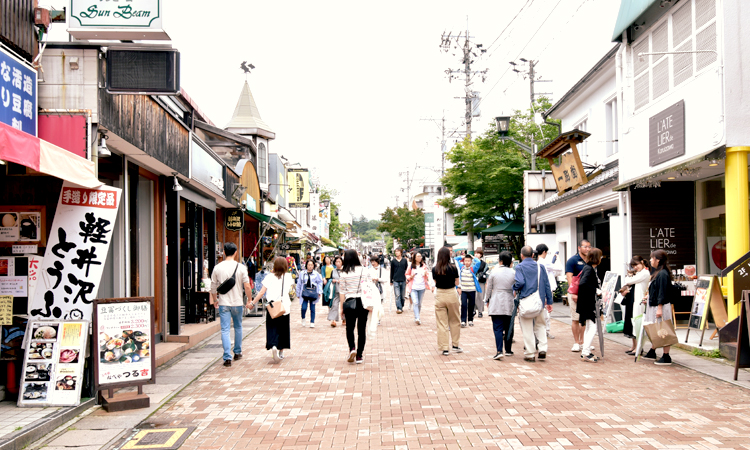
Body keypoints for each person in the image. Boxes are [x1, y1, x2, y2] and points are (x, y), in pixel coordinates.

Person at [209, 242, 252, 367]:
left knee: (225, 329)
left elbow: (213, 286)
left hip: (223, 303)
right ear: (235, 252)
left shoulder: (217, 267)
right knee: (238, 327)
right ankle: (237, 352)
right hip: (237, 303)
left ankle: (227, 357)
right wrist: (249, 300)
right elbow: (247, 286)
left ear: (223, 252)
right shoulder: (241, 267)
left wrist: (215, 299)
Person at [513, 246, 553, 362]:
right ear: (532, 255)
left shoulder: (520, 267)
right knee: (540, 325)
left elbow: (519, 282)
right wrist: (549, 301)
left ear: (521, 255)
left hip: (526, 302)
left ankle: (530, 353)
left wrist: (514, 288)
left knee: (527, 328)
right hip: (539, 302)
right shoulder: (540, 267)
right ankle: (542, 349)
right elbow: (546, 285)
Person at [250, 257, 293, 362]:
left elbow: (261, 292)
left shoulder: (269, 277)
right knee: (283, 329)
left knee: (272, 327)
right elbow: (291, 289)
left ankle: (273, 345)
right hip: (284, 307)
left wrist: (252, 303)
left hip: (272, 307)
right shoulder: (288, 277)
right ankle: (281, 351)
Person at [338, 249, 370, 364]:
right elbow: (368, 286)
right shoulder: (364, 270)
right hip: (363, 302)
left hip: (349, 302)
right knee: (361, 329)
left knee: (349, 328)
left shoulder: (343, 273)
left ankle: (352, 348)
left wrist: (341, 308)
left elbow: (342, 292)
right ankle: (359, 355)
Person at [643, 250, 675, 365]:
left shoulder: (662, 274)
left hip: (660, 306)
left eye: (652, 258)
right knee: (656, 328)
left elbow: (662, 292)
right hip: (655, 305)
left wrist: (660, 307)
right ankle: (653, 350)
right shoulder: (659, 272)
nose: (650, 260)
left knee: (663, 329)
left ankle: (666, 356)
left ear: (658, 260)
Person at [485, 251, 516, 360]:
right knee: (509, 326)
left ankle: (499, 350)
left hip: (496, 299)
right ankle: (508, 349)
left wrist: (487, 299)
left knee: (497, 327)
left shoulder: (494, 272)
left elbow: (489, 288)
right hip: (509, 299)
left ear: (500, 261)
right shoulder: (513, 272)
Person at [432, 246, 462, 355]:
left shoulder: (435, 269)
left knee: (441, 323)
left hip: (440, 294)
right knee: (454, 320)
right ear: (448, 255)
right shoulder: (453, 268)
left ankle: (444, 348)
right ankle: (455, 345)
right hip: (451, 293)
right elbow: (457, 283)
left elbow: (435, 282)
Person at [620, 255, 651, 355]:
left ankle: (639, 347)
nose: (635, 267)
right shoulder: (639, 273)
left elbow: (628, 280)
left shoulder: (644, 273)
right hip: (632, 300)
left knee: (636, 324)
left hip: (638, 301)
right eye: (633, 266)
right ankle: (634, 346)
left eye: (636, 265)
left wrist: (629, 277)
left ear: (642, 262)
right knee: (631, 323)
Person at [577, 248, 602, 362]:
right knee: (592, 327)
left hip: (585, 302)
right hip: (588, 303)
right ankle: (585, 352)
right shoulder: (589, 269)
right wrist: (595, 290)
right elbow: (583, 284)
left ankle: (585, 351)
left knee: (589, 327)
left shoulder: (588, 268)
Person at [565, 240, 591, 352]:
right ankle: (576, 342)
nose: (588, 249)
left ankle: (583, 342)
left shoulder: (590, 260)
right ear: (579, 247)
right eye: (585, 247)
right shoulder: (572, 260)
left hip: (587, 294)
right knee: (576, 318)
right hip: (575, 293)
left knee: (584, 319)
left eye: (589, 247)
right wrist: (574, 293)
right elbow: (569, 277)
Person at [536, 244, 562, 339]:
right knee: (547, 310)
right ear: (544, 252)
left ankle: (542, 330)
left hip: (539, 288)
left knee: (543, 310)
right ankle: (546, 331)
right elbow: (559, 268)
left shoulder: (537, 261)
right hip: (547, 288)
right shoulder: (544, 262)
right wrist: (558, 258)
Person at [405, 252, 432, 325]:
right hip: (413, 287)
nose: (420, 258)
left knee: (419, 303)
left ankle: (417, 315)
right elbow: (407, 274)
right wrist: (410, 277)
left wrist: (426, 274)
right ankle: (417, 318)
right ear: (415, 258)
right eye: (418, 256)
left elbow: (427, 275)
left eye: (420, 256)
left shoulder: (423, 265)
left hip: (422, 287)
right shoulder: (411, 265)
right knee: (415, 302)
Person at [296, 260, 324, 328]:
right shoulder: (302, 273)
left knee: (312, 308)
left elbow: (320, 282)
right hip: (304, 292)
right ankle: (303, 318)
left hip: (313, 292)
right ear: (306, 265)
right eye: (309, 265)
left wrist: (319, 291)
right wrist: (298, 293)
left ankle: (312, 322)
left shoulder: (316, 274)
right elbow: (299, 283)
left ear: (313, 265)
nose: (310, 266)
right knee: (303, 308)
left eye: (311, 265)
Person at [459, 254, 482, 327]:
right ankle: (463, 320)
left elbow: (478, 262)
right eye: (465, 261)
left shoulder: (473, 269)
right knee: (464, 305)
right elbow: (455, 260)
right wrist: (461, 257)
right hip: (464, 290)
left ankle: (470, 320)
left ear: (471, 262)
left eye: (469, 261)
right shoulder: (461, 268)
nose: (467, 262)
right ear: (463, 261)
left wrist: (473, 257)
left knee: (471, 305)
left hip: (472, 290)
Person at [390, 248, 409, 313]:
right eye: (396, 251)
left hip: (403, 279)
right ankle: (399, 308)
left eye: (398, 251)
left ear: (401, 252)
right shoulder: (393, 261)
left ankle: (401, 306)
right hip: (395, 280)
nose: (396, 253)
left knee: (402, 296)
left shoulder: (404, 260)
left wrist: (407, 279)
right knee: (397, 295)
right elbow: (391, 271)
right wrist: (391, 280)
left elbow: (407, 270)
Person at [328, 256, 344, 327]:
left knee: (344, 305)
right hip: (336, 290)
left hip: (344, 291)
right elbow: (330, 279)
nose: (338, 263)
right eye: (336, 262)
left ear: (342, 262)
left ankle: (344, 319)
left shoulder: (345, 270)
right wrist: (333, 280)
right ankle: (333, 320)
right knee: (334, 305)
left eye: (339, 261)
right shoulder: (333, 271)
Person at [474, 249, 490, 319]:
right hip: (473, 281)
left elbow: (486, 273)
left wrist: (486, 282)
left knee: (480, 296)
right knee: (473, 296)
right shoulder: (472, 262)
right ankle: (473, 310)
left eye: (478, 253)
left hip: (481, 281)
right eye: (476, 253)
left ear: (481, 255)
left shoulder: (484, 263)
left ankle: (480, 311)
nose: (476, 254)